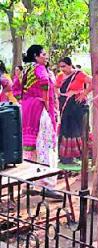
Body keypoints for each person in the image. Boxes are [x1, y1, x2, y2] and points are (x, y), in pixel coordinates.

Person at [20, 45, 61, 199]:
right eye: (43, 54)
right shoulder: (40, 68)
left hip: (27, 109)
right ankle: (47, 184)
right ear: (36, 56)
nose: (46, 56)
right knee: (46, 145)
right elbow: (44, 81)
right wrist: (45, 100)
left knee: (30, 147)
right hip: (40, 110)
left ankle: (28, 183)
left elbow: (17, 89)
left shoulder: (25, 70)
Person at [55, 57, 93, 164]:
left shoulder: (79, 74)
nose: (62, 69)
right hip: (65, 106)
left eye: (64, 66)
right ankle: (66, 158)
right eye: (61, 67)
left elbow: (93, 82)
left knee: (78, 130)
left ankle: (82, 155)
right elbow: (55, 87)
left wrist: (82, 94)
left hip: (77, 106)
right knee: (66, 130)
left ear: (70, 65)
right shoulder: (60, 76)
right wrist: (60, 94)